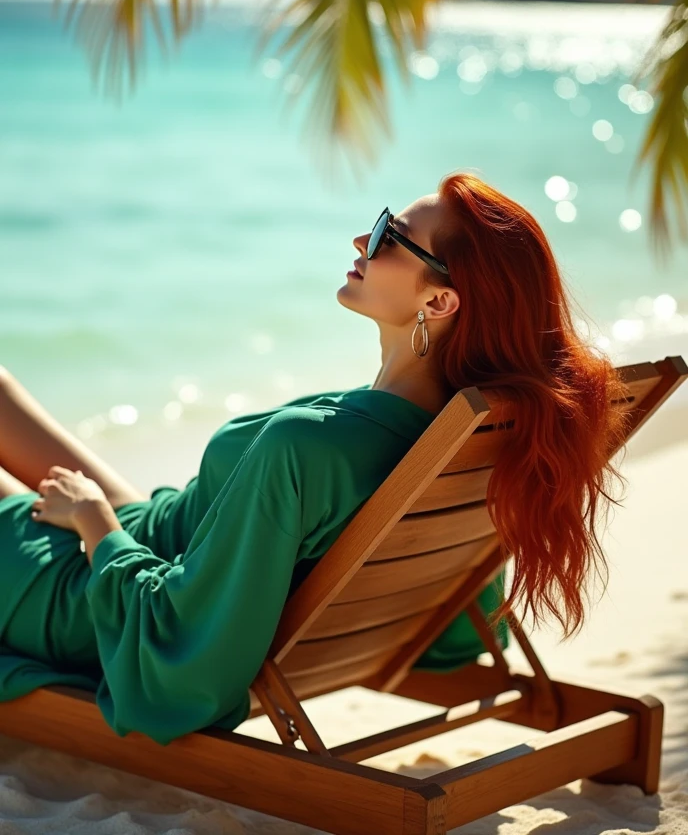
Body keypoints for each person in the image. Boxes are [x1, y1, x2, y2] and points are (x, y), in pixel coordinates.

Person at [0, 171, 628, 746]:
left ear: (438, 303)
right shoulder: (463, 441)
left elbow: (182, 650)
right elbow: (451, 628)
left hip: (99, 599)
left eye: (389, 236)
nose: (363, 237)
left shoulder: (308, 447)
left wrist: (96, 528)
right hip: (170, 539)